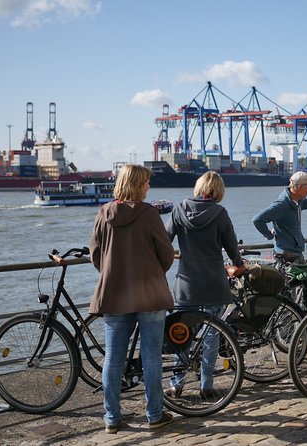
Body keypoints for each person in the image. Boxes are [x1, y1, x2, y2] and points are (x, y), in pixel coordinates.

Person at [89, 164, 175, 434]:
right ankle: (154, 414)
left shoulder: (104, 213)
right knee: (151, 356)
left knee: (114, 358)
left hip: (115, 294)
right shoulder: (149, 214)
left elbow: (95, 254)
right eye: (147, 182)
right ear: (139, 185)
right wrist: (153, 272)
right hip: (149, 294)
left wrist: (113, 273)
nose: (149, 187)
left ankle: (112, 418)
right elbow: (167, 253)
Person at [165, 171, 246, 396]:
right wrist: (239, 264)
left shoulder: (178, 210)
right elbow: (231, 247)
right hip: (213, 283)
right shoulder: (220, 213)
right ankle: (206, 386)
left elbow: (164, 242)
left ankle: (176, 383)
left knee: (180, 334)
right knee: (212, 334)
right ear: (218, 191)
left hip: (186, 284)